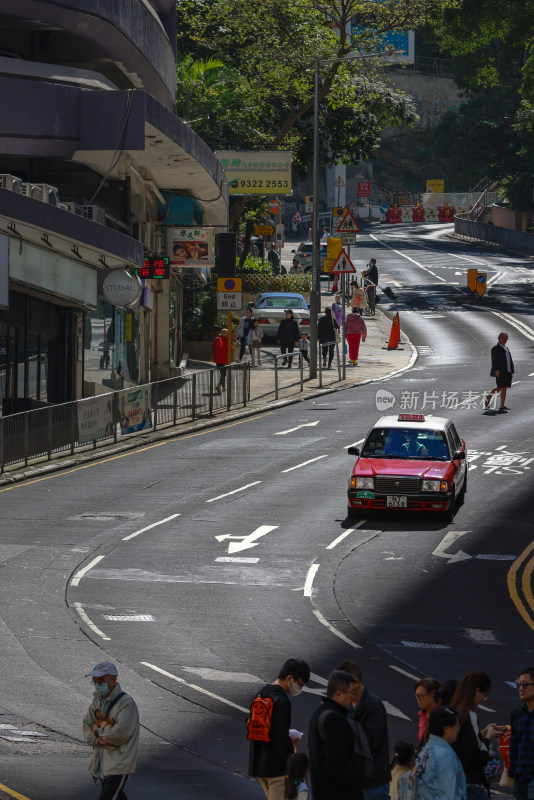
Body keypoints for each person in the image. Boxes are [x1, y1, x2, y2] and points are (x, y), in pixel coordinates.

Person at [248, 658, 311, 800]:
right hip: (276, 769)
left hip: (259, 765)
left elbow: (258, 727)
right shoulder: (281, 700)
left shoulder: (261, 693)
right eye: (299, 683)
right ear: (290, 678)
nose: (299, 688)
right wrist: (292, 761)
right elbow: (279, 737)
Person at [83, 661, 140, 800]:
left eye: (101, 680)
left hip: (119, 763)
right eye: (94, 681)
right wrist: (98, 739)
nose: (97, 684)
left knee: (107, 797)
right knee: (117, 796)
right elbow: (87, 724)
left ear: (113, 680)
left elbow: (120, 733)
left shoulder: (126, 703)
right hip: (102, 763)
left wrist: (97, 732)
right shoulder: (97, 701)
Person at [338, 660, 391, 800]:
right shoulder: (349, 705)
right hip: (357, 779)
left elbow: (370, 743)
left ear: (355, 682)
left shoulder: (373, 706)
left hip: (372, 782)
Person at [308, 670, 364, 800]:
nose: (353, 697)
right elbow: (337, 765)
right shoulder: (334, 720)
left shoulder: (318, 713)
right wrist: (355, 781)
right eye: (351, 692)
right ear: (339, 694)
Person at [450, 671, 500, 800]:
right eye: (484, 696)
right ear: (477, 691)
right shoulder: (469, 715)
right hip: (471, 785)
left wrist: (479, 735)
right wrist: (488, 739)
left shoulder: (452, 714)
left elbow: (462, 743)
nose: (482, 701)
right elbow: (476, 756)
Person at [413, 706, 466, 800]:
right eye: (457, 725)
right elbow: (447, 793)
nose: (458, 729)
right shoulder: (444, 755)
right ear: (446, 728)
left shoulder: (427, 749)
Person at [509, 666, 534, 800]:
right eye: (519, 684)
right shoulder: (517, 712)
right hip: (520, 778)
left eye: (525, 684)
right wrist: (513, 771)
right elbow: (514, 744)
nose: (521, 688)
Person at [485, 332, 514, 412]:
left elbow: (509, 360)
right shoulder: (495, 349)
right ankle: (488, 397)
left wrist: (511, 370)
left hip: (507, 371)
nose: (504, 340)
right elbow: (494, 361)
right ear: (498, 339)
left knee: (504, 389)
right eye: (502, 338)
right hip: (500, 371)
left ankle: (502, 406)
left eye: (505, 338)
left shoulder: (506, 348)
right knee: (500, 387)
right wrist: (496, 370)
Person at [414, 679, 441, 744]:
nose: (418, 699)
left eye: (421, 696)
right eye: (417, 696)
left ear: (432, 694)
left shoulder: (442, 716)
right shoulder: (423, 715)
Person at [212, 327, 230, 394]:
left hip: (217, 359)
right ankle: (222, 387)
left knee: (223, 374)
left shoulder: (216, 339)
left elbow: (213, 347)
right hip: (224, 359)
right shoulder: (228, 341)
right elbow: (231, 349)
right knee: (223, 374)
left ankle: (220, 386)